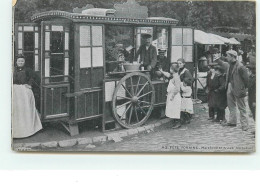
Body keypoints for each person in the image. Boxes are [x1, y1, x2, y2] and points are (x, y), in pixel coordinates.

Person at [13, 54, 42, 138]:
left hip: (25, 92)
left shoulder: (28, 70)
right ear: (16, 62)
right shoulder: (13, 70)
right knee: (17, 109)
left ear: (24, 62)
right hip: (15, 91)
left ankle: (28, 129)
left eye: (22, 61)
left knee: (26, 109)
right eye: (19, 61)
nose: (20, 62)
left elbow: (33, 77)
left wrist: (29, 84)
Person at [224, 50, 249, 131]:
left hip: (239, 87)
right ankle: (232, 121)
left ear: (232, 56)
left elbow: (246, 79)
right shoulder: (229, 65)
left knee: (242, 107)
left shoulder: (240, 66)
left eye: (228, 56)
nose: (226, 57)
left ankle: (245, 125)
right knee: (231, 105)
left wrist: (244, 88)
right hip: (230, 85)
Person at [159, 63, 182, 129]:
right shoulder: (173, 75)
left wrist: (172, 96)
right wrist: (162, 71)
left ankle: (178, 123)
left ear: (172, 69)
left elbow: (177, 88)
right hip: (172, 95)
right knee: (173, 109)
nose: (169, 70)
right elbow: (168, 74)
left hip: (175, 96)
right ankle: (175, 122)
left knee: (175, 109)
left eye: (170, 68)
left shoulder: (176, 77)